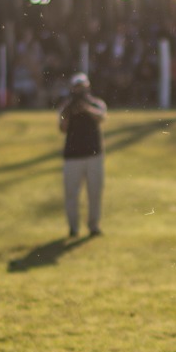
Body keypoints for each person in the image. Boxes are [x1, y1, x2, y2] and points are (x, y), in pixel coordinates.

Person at [59, 72, 107, 237]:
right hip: (72, 156)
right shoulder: (67, 106)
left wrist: (86, 108)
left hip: (94, 154)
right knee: (71, 194)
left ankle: (94, 226)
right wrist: (70, 111)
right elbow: (62, 127)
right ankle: (73, 228)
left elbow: (101, 117)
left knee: (95, 192)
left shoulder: (96, 103)